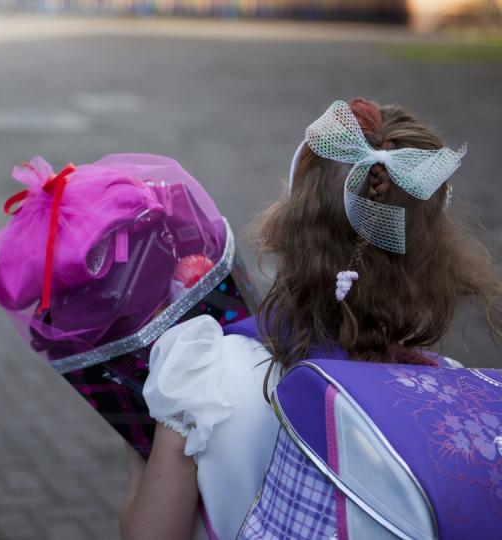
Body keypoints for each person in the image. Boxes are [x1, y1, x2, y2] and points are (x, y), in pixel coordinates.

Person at [119, 99, 502, 540]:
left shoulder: (202, 372)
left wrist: (138, 449)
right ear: (433, 253)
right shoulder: (449, 398)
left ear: (292, 222)